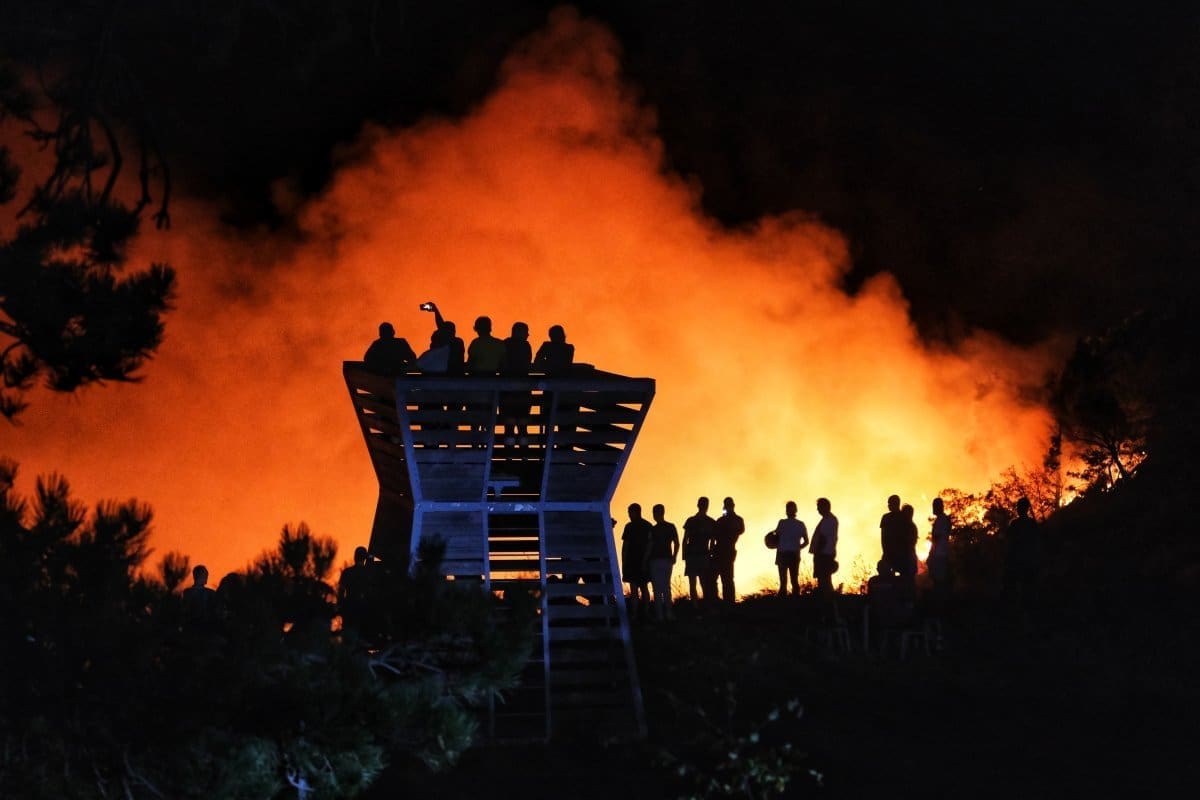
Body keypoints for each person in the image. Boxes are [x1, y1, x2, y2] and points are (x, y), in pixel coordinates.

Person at [645, 503, 680, 621]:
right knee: (666, 587)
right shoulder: (671, 527)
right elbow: (677, 543)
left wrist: (645, 560)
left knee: (657, 588)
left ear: (655, 514)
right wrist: (674, 556)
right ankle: (668, 613)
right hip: (667, 560)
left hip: (655, 560)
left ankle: (660, 615)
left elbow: (650, 545)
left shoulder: (653, 529)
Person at [1003, 496, 1040, 607]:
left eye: (1019, 507)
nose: (1018, 509)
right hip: (1027, 561)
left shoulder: (1015, 524)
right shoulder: (1031, 524)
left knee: (1020, 589)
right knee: (1026, 589)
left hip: (1020, 561)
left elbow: (1010, 543)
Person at [500, 321, 533, 445]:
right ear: (519, 332)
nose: (528, 335)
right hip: (523, 389)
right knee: (523, 424)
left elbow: (501, 363)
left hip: (507, 389)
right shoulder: (526, 346)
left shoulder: (505, 344)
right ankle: (524, 450)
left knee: (508, 424)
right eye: (526, 332)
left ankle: (508, 450)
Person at [681, 496, 717, 604]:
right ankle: (696, 606)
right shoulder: (692, 520)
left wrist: (711, 554)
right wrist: (684, 555)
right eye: (703, 504)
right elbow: (685, 539)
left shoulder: (710, 522)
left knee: (703, 583)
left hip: (702, 555)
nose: (704, 506)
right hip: (693, 555)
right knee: (695, 583)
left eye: (705, 504)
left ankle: (704, 605)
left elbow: (712, 541)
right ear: (699, 505)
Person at [621, 504, 653, 621]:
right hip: (634, 562)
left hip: (638, 562)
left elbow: (650, 544)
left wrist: (625, 562)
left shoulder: (640, 526)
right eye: (629, 512)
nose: (629, 515)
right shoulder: (638, 526)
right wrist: (624, 562)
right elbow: (625, 546)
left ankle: (643, 613)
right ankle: (639, 613)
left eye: (630, 512)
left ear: (637, 512)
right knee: (636, 588)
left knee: (642, 588)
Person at [711, 497, 744, 603]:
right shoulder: (723, 520)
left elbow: (739, 530)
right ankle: (719, 601)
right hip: (719, 551)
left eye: (728, 505)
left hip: (727, 551)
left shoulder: (736, 520)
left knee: (727, 579)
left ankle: (728, 603)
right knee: (714, 578)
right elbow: (714, 535)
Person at [772, 500, 809, 597]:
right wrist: (798, 548)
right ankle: (792, 601)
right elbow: (806, 541)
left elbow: (774, 536)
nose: (790, 510)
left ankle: (789, 601)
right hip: (786, 554)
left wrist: (797, 549)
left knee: (790, 581)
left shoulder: (787, 523)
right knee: (787, 581)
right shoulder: (786, 523)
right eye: (789, 508)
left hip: (787, 554)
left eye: (791, 508)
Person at [421, 301, 465, 374]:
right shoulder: (457, 342)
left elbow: (442, 328)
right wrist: (436, 311)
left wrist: (436, 311)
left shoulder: (441, 347)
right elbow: (442, 328)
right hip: (456, 375)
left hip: (446, 375)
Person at [338, 546, 372, 634]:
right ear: (364, 558)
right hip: (361, 609)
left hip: (348, 607)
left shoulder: (347, 572)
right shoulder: (368, 574)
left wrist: (340, 605)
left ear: (355, 557)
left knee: (346, 634)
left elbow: (341, 591)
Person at [926, 497, 952, 610]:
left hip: (939, 555)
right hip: (942, 554)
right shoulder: (944, 519)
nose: (933, 508)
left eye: (934, 506)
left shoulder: (941, 520)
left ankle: (940, 607)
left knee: (938, 582)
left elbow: (936, 539)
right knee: (939, 582)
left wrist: (930, 554)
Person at [810, 497, 839, 601]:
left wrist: (818, 553)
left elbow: (823, 538)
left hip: (824, 554)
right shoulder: (828, 519)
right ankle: (827, 600)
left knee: (824, 579)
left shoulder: (829, 520)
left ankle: (828, 601)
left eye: (819, 507)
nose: (817, 509)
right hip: (825, 553)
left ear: (825, 507)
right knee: (824, 579)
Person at [182, 564, 218, 630]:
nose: (207, 577)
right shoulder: (210, 593)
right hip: (198, 626)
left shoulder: (187, 592)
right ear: (201, 576)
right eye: (205, 575)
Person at [879, 494, 907, 576]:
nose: (888, 505)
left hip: (894, 552)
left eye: (889, 503)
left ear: (896, 503)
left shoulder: (886, 518)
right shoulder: (904, 517)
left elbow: (883, 536)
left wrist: (885, 551)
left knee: (887, 576)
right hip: (899, 553)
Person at [900, 503, 919, 578]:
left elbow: (910, 542)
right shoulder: (910, 526)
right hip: (908, 557)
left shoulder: (910, 527)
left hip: (908, 557)